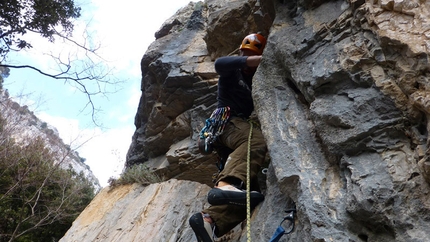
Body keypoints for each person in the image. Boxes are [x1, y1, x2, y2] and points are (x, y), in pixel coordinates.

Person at [189, 33, 268, 242]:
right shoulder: (231, 71)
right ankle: (225, 185)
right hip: (226, 123)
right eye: (244, 52)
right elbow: (220, 64)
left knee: (250, 194)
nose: (246, 57)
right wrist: (256, 59)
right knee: (256, 141)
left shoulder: (256, 79)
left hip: (229, 140)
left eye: (251, 54)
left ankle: (209, 221)